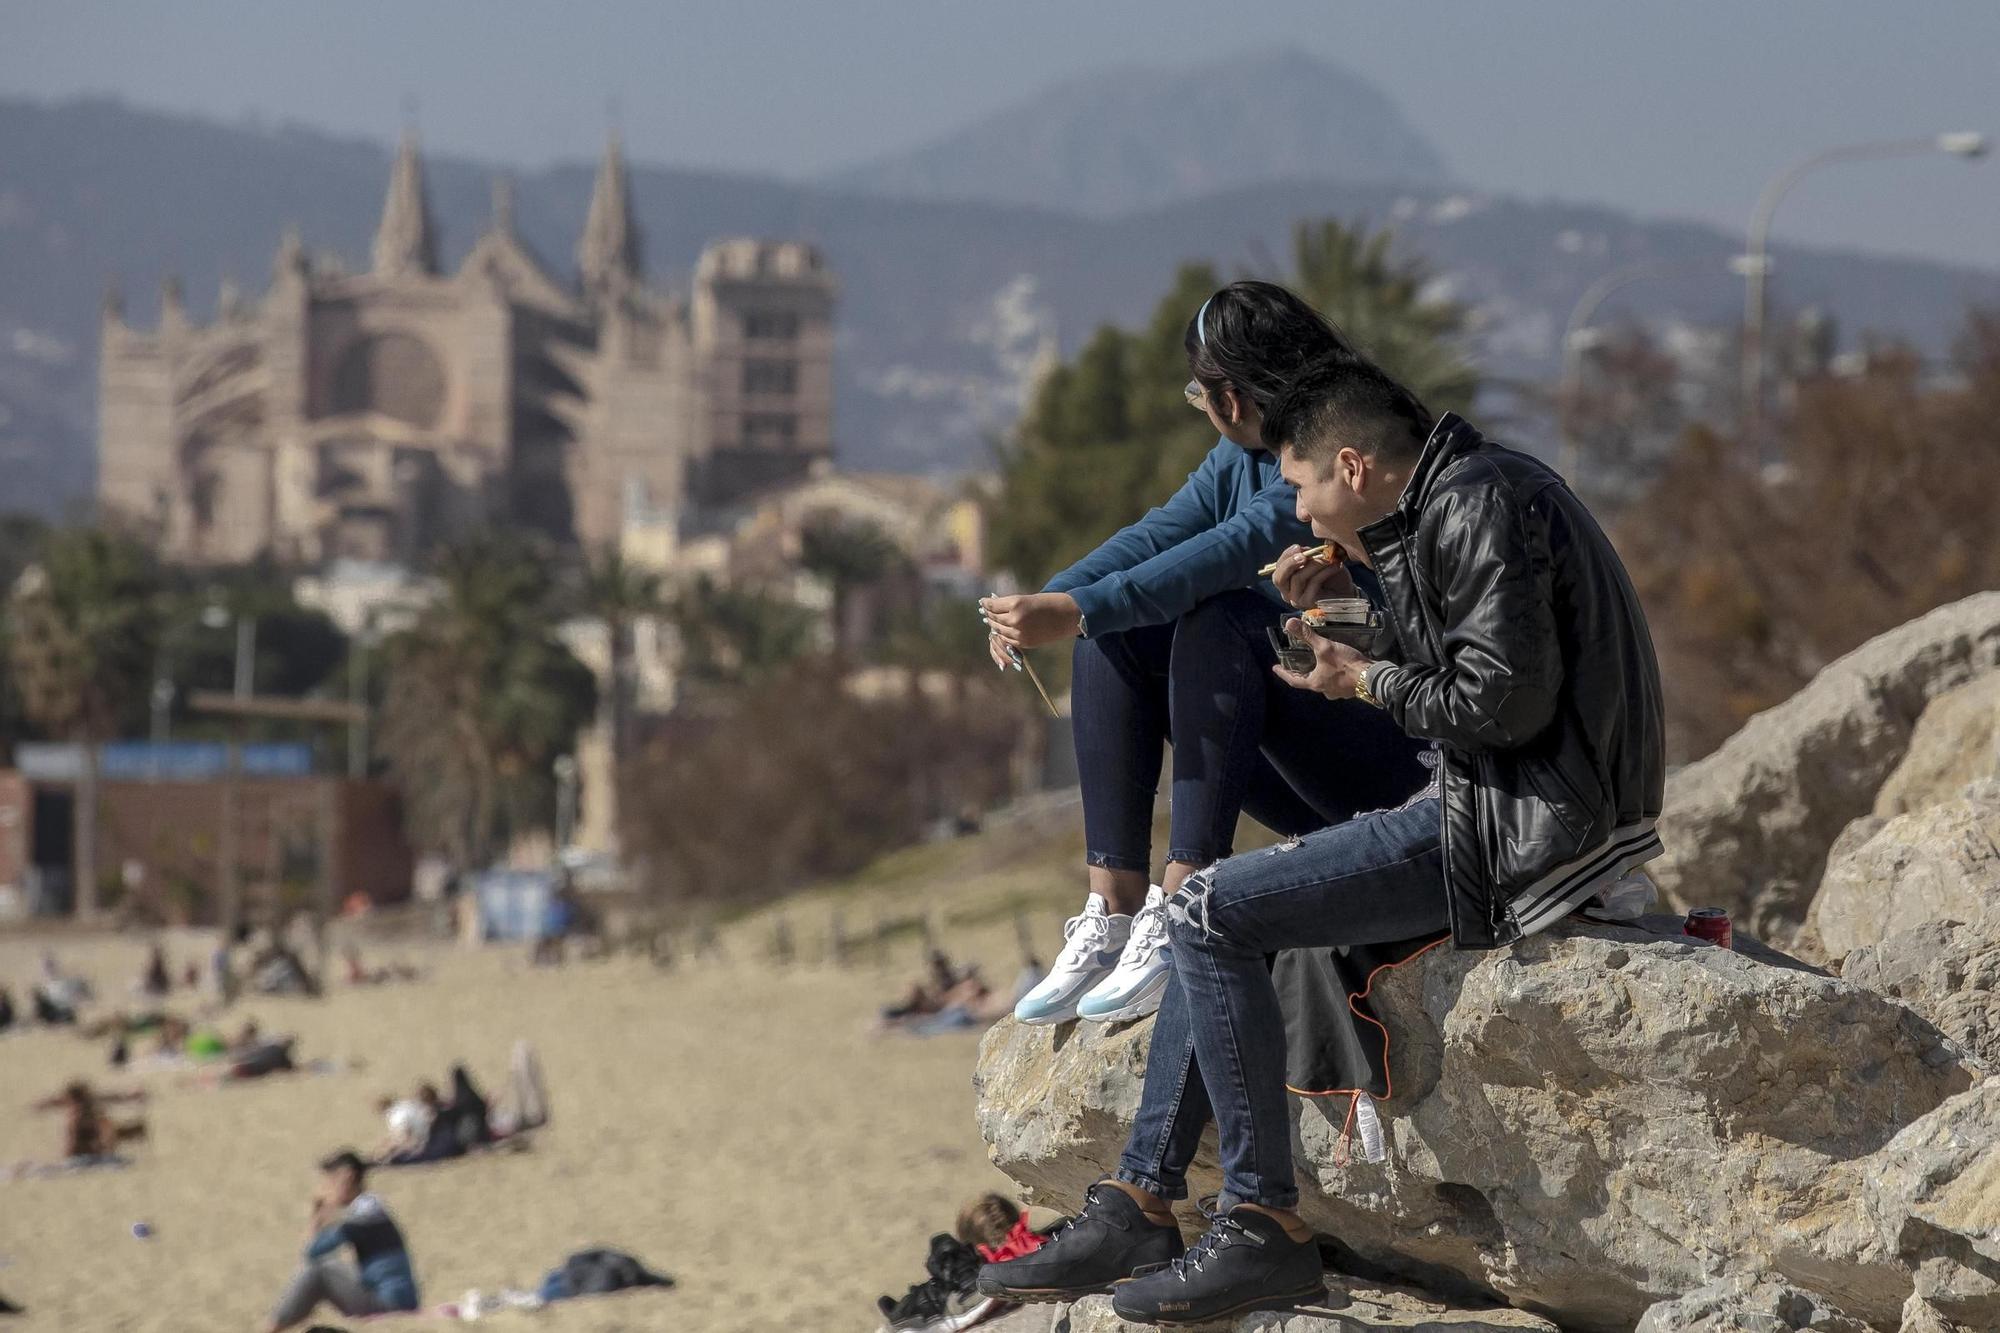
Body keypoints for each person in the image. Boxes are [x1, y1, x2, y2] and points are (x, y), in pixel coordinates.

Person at [976, 355, 1666, 1325]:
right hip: (1516, 806)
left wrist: (1362, 682)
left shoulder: (1471, 506)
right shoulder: (1471, 494)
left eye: (1296, 485)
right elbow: (1476, 671)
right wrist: (1342, 626)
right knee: (1221, 904)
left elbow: (1501, 705)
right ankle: (1138, 1203)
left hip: (1520, 828)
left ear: (1348, 463)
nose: (1295, 511)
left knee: (1208, 913)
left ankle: (1259, 1220)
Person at [980, 282, 1428, 1028]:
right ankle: (1116, 907)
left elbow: (1216, 555)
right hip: (1320, 735)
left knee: (1221, 618)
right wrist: (1054, 600)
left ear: (1230, 397)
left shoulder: (1324, 456)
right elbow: (1162, 534)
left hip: (1398, 765)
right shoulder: (1239, 453)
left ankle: (1186, 901)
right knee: (1114, 632)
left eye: (1202, 395)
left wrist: (1077, 607)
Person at [267, 1150, 421, 1330]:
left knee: (318, 1272)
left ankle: (271, 1329)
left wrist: (317, 1215)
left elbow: (311, 1252)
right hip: (396, 1297)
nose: (325, 1188)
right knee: (329, 1268)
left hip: (391, 1304)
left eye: (330, 1181)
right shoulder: (371, 1206)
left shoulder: (363, 1214)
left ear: (347, 1177)